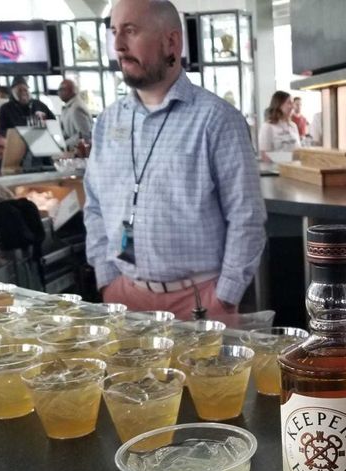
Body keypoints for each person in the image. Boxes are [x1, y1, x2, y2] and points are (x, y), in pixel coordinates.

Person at [83, 0, 266, 320]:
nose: (118, 46)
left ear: (172, 41)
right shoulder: (108, 122)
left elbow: (246, 217)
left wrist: (224, 297)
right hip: (125, 300)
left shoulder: (217, 120)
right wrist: (107, 280)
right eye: (114, 32)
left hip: (199, 303)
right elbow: (95, 206)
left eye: (131, 31)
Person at [258, 90, 300, 161]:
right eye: (289, 103)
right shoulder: (267, 127)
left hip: (295, 169)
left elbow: (299, 150)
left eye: (292, 103)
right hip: (277, 170)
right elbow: (264, 155)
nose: (292, 107)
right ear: (279, 104)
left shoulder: (293, 126)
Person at [58, 79, 93, 149]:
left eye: (63, 90)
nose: (60, 93)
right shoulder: (68, 107)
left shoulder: (76, 108)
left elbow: (84, 135)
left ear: (72, 91)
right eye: (59, 90)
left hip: (80, 153)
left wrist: (64, 145)